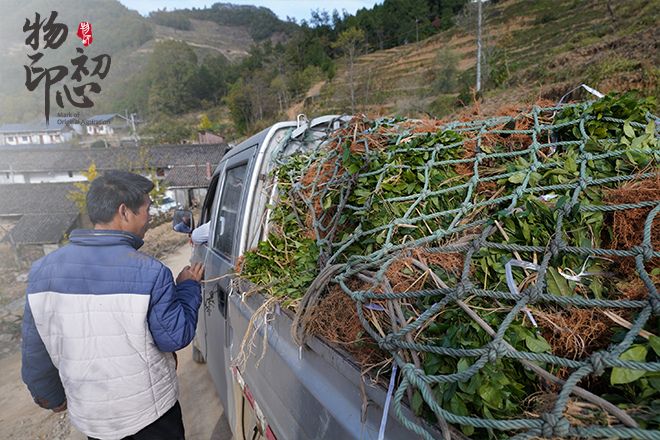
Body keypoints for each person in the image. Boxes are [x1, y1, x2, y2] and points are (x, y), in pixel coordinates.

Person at [21, 171, 204, 440]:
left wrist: (50, 396)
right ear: (124, 212)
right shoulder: (151, 272)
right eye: (147, 208)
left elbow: (35, 349)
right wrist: (188, 287)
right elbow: (175, 337)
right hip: (149, 416)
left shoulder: (41, 272)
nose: (150, 217)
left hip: (93, 418)